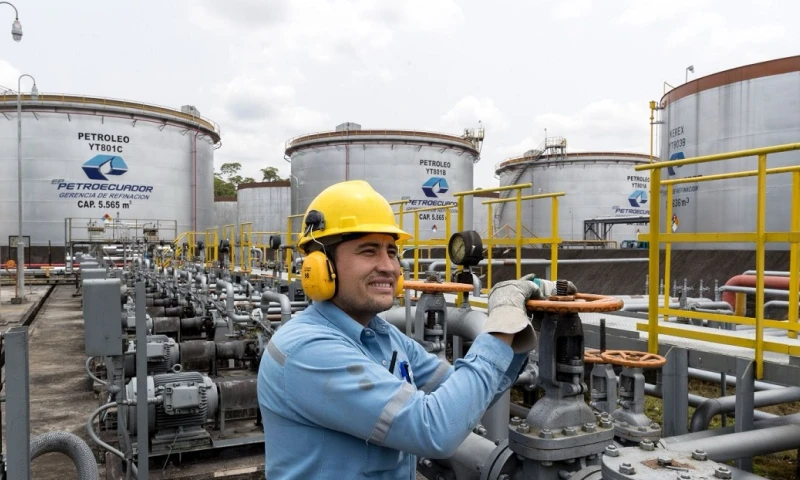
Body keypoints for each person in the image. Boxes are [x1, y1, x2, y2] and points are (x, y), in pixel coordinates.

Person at [257, 180, 541, 479]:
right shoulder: (307, 349)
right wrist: (501, 324)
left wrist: (519, 323)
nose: (389, 267)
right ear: (319, 266)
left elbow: (461, 394)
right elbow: (435, 429)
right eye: (369, 251)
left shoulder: (382, 335)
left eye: (392, 252)